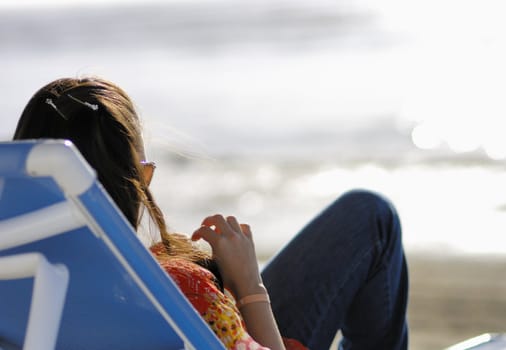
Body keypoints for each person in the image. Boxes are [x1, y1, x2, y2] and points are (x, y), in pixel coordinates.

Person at [13, 77, 408, 350]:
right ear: (130, 183)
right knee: (371, 218)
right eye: (144, 172)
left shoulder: (16, 279)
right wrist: (250, 287)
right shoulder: (177, 290)